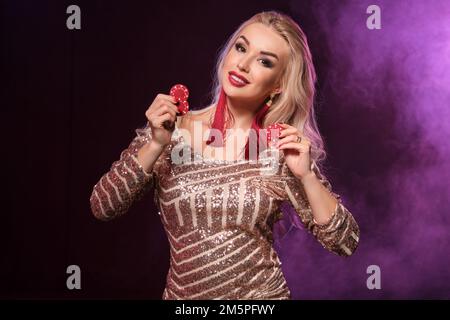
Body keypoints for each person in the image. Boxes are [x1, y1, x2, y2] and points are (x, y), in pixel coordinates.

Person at [89, 11, 360, 300]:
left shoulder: (278, 147)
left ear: (278, 84)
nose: (243, 64)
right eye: (241, 48)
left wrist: (305, 175)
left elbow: (345, 242)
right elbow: (103, 206)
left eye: (264, 61)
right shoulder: (171, 130)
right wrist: (155, 144)